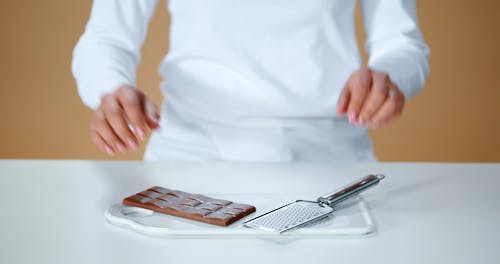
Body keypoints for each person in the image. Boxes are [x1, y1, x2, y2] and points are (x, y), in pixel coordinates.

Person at [72, 0, 429, 162]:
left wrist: (389, 78)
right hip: (192, 160)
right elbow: (107, 38)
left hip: (331, 162)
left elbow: (400, 42)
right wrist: (109, 87)